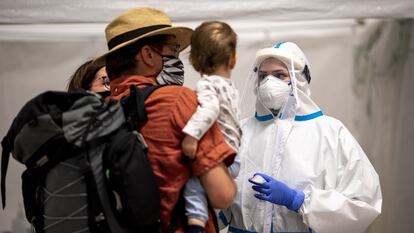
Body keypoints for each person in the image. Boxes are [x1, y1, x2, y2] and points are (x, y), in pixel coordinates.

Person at [95, 7, 237, 233]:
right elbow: (222, 194)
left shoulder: (100, 110)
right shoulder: (178, 100)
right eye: (173, 51)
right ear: (148, 55)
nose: (177, 60)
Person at [220, 42, 382, 233]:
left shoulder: (330, 133)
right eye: (263, 76)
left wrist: (299, 201)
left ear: (299, 79)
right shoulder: (241, 132)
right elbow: (214, 197)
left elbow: (363, 202)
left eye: (280, 75)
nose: (269, 83)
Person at [181, 21, 241, 233]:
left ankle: (196, 225)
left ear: (195, 62)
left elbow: (210, 110)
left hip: (222, 156)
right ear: (233, 59)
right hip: (235, 157)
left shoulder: (207, 84)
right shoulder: (231, 87)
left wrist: (191, 135)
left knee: (192, 185)